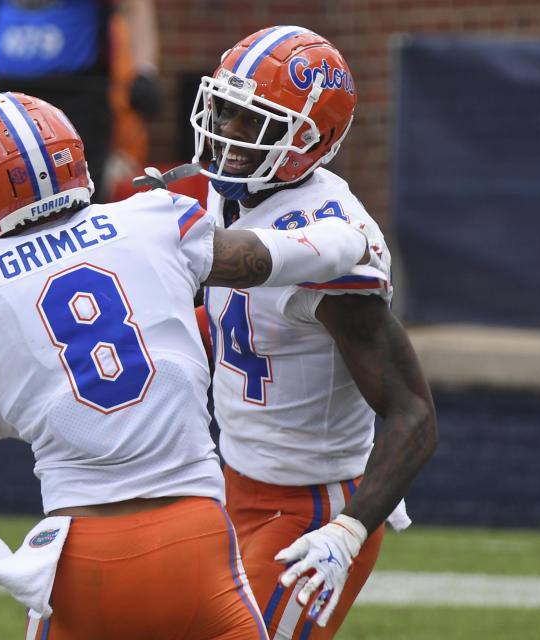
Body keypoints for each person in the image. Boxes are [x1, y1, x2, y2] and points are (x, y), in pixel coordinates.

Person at [0, 91, 381, 637]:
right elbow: (288, 255)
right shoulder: (154, 219)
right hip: (197, 542)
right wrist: (350, 234)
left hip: (81, 555)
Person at [187, 26, 439, 638]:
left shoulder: (331, 252)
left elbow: (413, 414)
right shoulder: (233, 195)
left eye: (253, 122)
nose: (229, 134)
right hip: (231, 487)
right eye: (226, 109)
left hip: (308, 510)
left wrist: (348, 530)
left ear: (306, 139)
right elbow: (229, 323)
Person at [0, 0, 164, 274]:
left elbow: (136, 8)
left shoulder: (106, 26)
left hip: (75, 135)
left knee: (70, 251)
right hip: (1, 146)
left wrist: (145, 72)